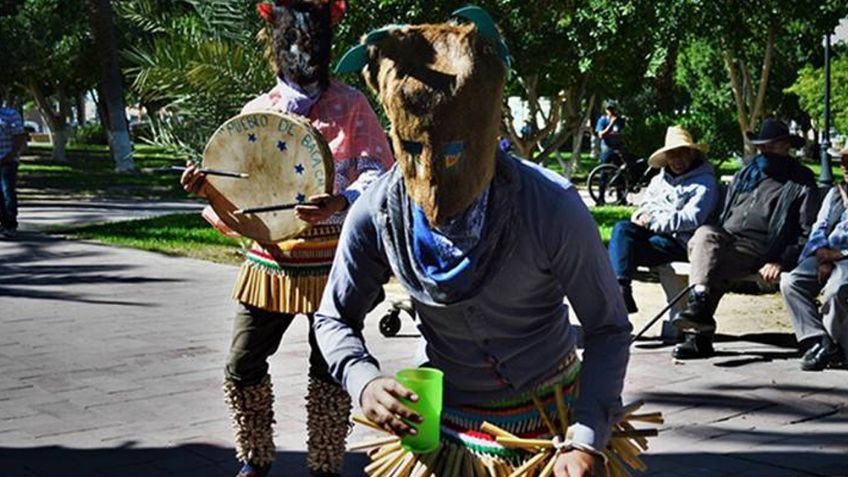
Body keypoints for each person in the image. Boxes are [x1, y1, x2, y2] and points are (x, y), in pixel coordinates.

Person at [319, 11, 631, 477]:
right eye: (414, 150)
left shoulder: (551, 206)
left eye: (452, 152)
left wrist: (585, 439)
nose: (431, 177)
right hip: (445, 433)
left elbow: (608, 328)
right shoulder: (379, 211)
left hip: (553, 431)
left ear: (488, 135)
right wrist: (364, 382)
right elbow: (333, 317)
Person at [180, 2, 392, 476]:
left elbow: (381, 174)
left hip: (332, 264)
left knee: (330, 366)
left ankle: (323, 462)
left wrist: (339, 203)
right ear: (276, 45)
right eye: (292, 40)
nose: (302, 50)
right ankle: (254, 458)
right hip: (269, 264)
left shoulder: (353, 106)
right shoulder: (257, 114)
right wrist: (206, 186)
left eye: (311, 40)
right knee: (243, 361)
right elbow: (236, 194)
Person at [672, 119, 818, 359]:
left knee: (711, 261)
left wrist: (781, 260)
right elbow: (723, 213)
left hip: (761, 248)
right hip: (726, 238)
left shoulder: (800, 181)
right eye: (761, 147)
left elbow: (806, 231)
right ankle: (698, 304)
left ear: (786, 147)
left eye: (771, 147)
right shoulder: (747, 173)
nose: (765, 152)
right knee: (705, 237)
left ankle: (698, 335)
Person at [608, 126, 719, 313]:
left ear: (692, 154)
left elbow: (692, 218)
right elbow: (644, 208)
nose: (677, 160)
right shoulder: (659, 180)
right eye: (672, 155)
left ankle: (616, 299)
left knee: (621, 252)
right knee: (622, 229)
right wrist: (639, 217)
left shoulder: (705, 182)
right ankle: (621, 290)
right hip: (654, 236)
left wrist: (653, 221)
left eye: (682, 154)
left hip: (681, 243)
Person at [779, 145, 848, 371]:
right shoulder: (835, 193)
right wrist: (822, 255)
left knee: (835, 291)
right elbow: (820, 226)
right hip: (828, 255)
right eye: (843, 161)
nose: (845, 166)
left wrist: (840, 255)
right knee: (790, 282)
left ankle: (834, 345)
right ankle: (822, 341)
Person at [0, 92, 27, 239]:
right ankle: (3, 223)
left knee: (6, 192)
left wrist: (10, 155)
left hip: (7, 161)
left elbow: (19, 136)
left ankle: (9, 225)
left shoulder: (10, 114)